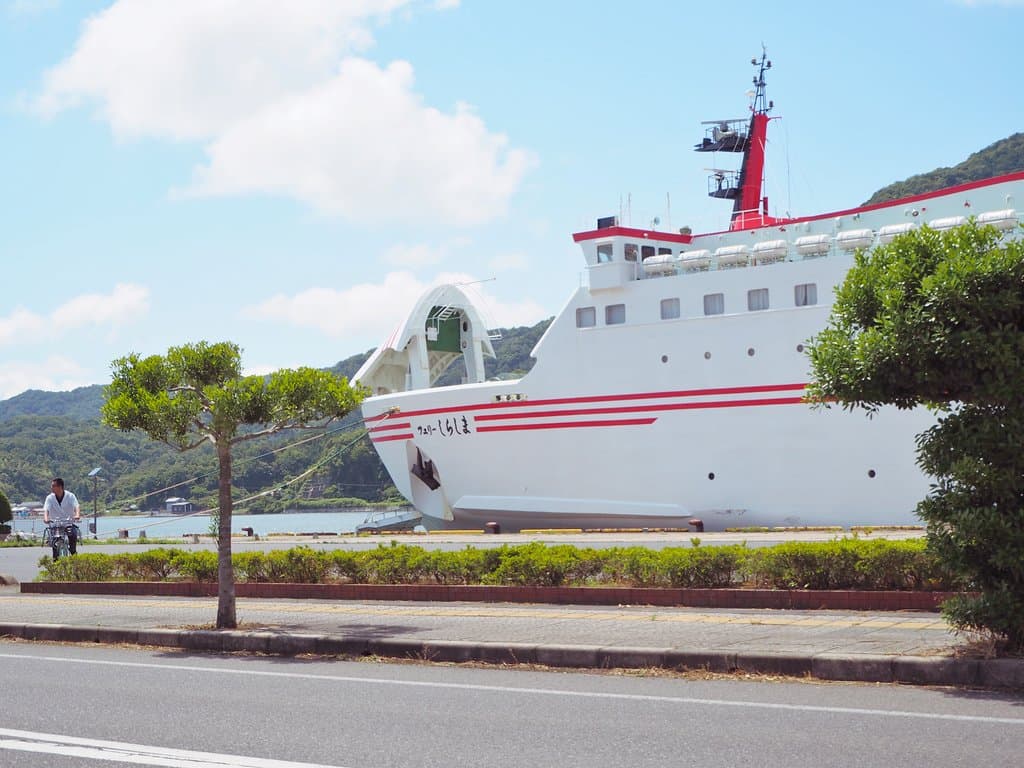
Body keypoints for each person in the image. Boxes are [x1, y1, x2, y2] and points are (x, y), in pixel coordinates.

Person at [43, 477, 81, 558]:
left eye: (53, 486)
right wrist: (46, 518)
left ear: (60, 487)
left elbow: (76, 506)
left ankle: (74, 554)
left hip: (68, 523)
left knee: (73, 536)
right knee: (55, 544)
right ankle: (55, 561)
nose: (51, 488)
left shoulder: (70, 496)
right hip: (55, 524)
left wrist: (77, 515)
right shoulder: (50, 497)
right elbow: (46, 509)